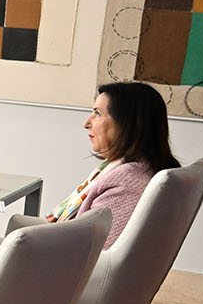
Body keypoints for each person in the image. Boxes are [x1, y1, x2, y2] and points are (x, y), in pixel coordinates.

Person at [44, 81, 180, 247]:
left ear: (128, 124)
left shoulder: (126, 182)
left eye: (97, 113)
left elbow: (94, 251)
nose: (86, 123)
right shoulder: (139, 168)